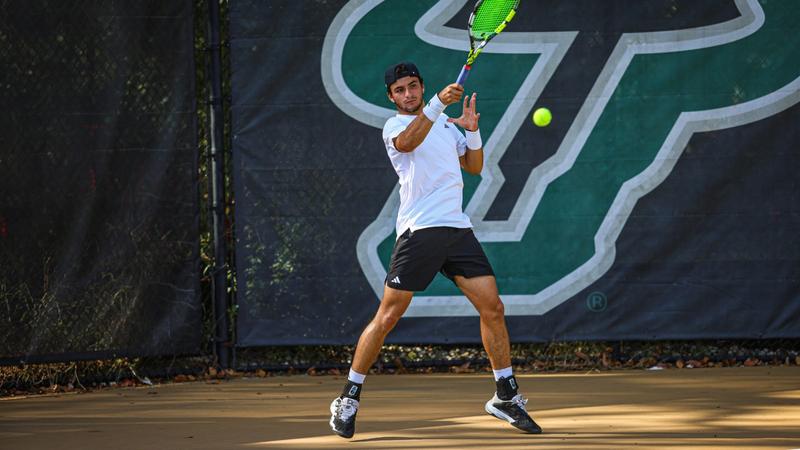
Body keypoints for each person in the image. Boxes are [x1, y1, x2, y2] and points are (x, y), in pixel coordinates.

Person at [329, 61, 542, 438]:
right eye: (400, 90)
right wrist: (438, 104)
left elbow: (473, 166)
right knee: (388, 316)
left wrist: (472, 132)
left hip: (457, 229)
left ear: (421, 86)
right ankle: (348, 397)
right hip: (419, 233)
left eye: (413, 86)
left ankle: (505, 396)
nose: (408, 94)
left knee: (493, 307)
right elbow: (409, 143)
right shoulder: (395, 127)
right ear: (391, 97)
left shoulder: (443, 124)